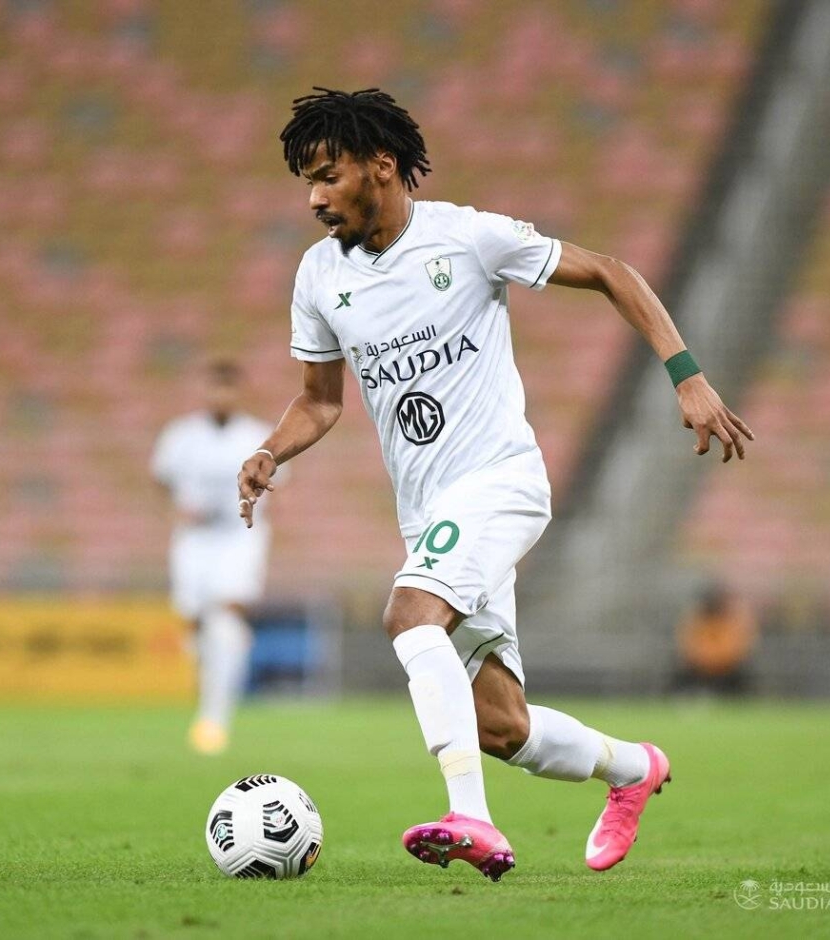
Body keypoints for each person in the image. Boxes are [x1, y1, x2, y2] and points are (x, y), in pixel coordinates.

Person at [237, 88, 754, 880]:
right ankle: (633, 769)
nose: (313, 199)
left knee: (409, 614)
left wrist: (686, 376)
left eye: (327, 177)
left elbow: (610, 272)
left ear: (381, 166)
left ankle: (470, 819)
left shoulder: (468, 238)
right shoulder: (318, 276)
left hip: (500, 482)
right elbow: (320, 401)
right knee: (502, 729)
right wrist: (272, 451)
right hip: (428, 513)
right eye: (307, 183)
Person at [152, 359, 276, 755]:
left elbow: (277, 482)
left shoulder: (256, 436)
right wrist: (177, 510)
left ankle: (214, 719)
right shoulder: (181, 436)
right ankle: (215, 687)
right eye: (215, 388)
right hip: (193, 541)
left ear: (238, 393)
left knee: (226, 616)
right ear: (205, 391)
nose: (221, 396)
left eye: (228, 388)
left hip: (239, 538)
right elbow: (161, 479)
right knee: (197, 626)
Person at [673, 583, 758, 695]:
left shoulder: (733, 619)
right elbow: (688, 645)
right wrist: (704, 661)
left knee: (742, 677)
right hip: (698, 666)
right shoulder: (696, 620)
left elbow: (737, 647)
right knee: (678, 673)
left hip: (728, 667)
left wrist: (718, 661)